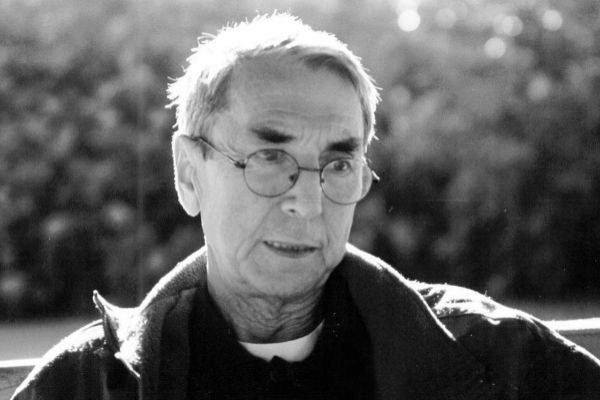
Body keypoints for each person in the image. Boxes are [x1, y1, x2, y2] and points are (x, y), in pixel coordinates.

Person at [12, 12, 600, 400]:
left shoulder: (501, 361)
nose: (308, 202)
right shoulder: (86, 385)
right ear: (189, 174)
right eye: (270, 157)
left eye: (338, 164)